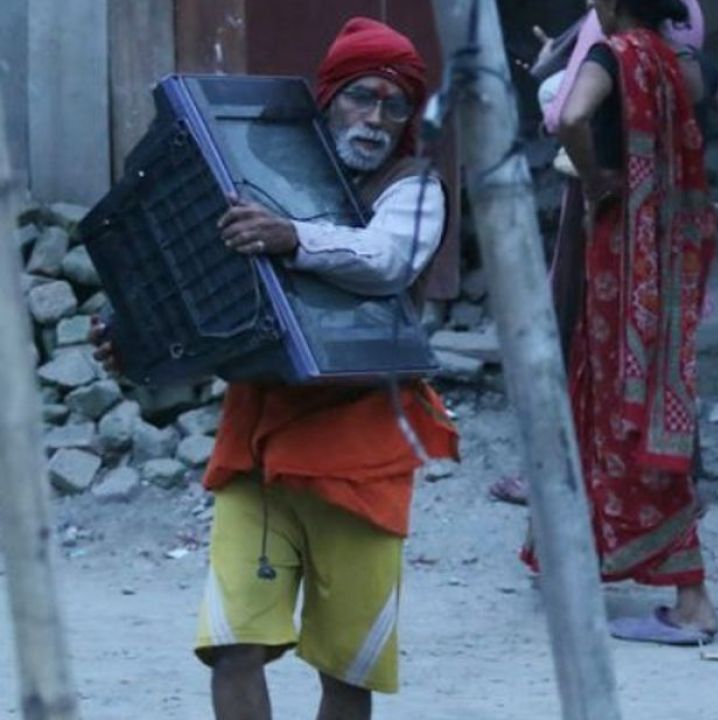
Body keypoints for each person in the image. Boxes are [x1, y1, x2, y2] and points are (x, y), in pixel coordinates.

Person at [92, 17, 458, 720]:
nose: (375, 118)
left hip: (361, 452)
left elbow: (389, 261)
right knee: (233, 646)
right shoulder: (255, 172)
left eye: (394, 105)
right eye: (361, 97)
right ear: (328, 99)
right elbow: (201, 291)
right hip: (256, 443)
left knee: (345, 673)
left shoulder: (414, 187)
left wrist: (291, 237)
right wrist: (132, 347)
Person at [520, 0, 718, 645]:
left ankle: (692, 600)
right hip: (673, 265)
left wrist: (597, 182)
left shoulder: (609, 59)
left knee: (623, 411)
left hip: (620, 261)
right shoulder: (687, 66)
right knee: (649, 405)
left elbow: (571, 117)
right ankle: (578, 559)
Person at [490, 0, 704, 507]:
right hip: (667, 198)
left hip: (607, 198)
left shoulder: (612, 40)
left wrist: (593, 179)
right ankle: (674, 470)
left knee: (579, 326)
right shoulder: (682, 19)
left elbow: (566, 113)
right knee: (661, 333)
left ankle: (565, 469)